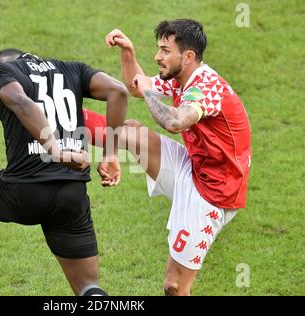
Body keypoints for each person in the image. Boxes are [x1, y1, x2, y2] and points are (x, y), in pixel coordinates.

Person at [0, 48, 128, 296]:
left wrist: (56, 151)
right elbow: (119, 91)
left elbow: (20, 101)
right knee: (88, 287)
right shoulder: (73, 69)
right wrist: (111, 154)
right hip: (72, 195)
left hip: (24, 191)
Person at [87, 19, 251, 295]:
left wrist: (150, 91)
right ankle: (61, 125)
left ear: (187, 56)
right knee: (130, 132)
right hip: (196, 167)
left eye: (164, 50)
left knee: (174, 287)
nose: (158, 57)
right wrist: (128, 52)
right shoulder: (179, 76)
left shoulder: (206, 87)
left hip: (215, 192)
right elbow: (138, 87)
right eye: (158, 49)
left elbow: (176, 122)